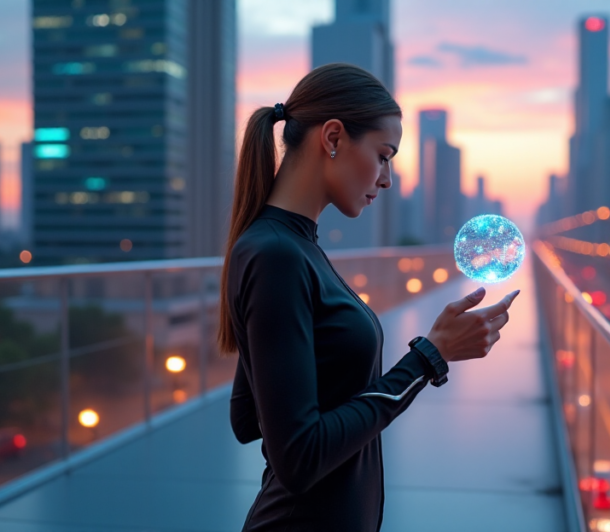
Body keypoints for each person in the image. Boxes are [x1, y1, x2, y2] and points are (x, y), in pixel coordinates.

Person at [217, 63, 521, 532]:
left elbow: (247, 416)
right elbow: (298, 458)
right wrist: (429, 357)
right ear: (333, 138)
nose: (387, 179)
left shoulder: (293, 249)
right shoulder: (279, 254)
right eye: (384, 155)